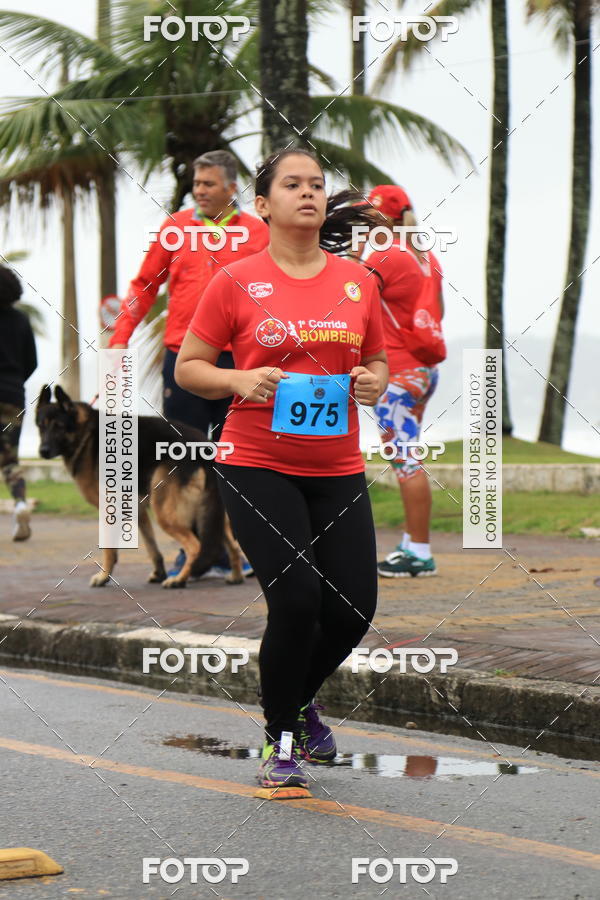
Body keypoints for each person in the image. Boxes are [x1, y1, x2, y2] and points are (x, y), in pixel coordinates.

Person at [175, 148, 388, 789]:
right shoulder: (235, 280)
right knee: (296, 604)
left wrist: (372, 382)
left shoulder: (358, 281)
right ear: (263, 205)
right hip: (256, 460)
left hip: (338, 465)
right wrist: (240, 377)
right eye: (292, 185)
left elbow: (377, 363)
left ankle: (293, 697)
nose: (308, 194)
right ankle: (282, 740)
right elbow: (190, 366)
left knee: (352, 610)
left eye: (317, 185)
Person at [110, 150, 269, 576]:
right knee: (183, 457)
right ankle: (195, 550)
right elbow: (144, 286)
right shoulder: (175, 229)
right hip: (184, 359)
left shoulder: (257, 234)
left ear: (232, 188)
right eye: (196, 184)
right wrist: (119, 337)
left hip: (240, 362)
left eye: (208, 184)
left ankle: (239, 549)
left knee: (238, 456)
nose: (199, 191)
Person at [362, 185, 445, 577]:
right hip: (423, 370)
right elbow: (435, 315)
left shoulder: (385, 255)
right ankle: (414, 544)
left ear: (384, 218)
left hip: (396, 375)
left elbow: (350, 300)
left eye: (368, 214)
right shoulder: (425, 256)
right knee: (409, 455)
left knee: (406, 460)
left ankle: (420, 553)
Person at [0, 265, 37, 542]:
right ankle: (21, 504)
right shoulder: (21, 320)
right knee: (9, 458)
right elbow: (31, 362)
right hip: (13, 397)